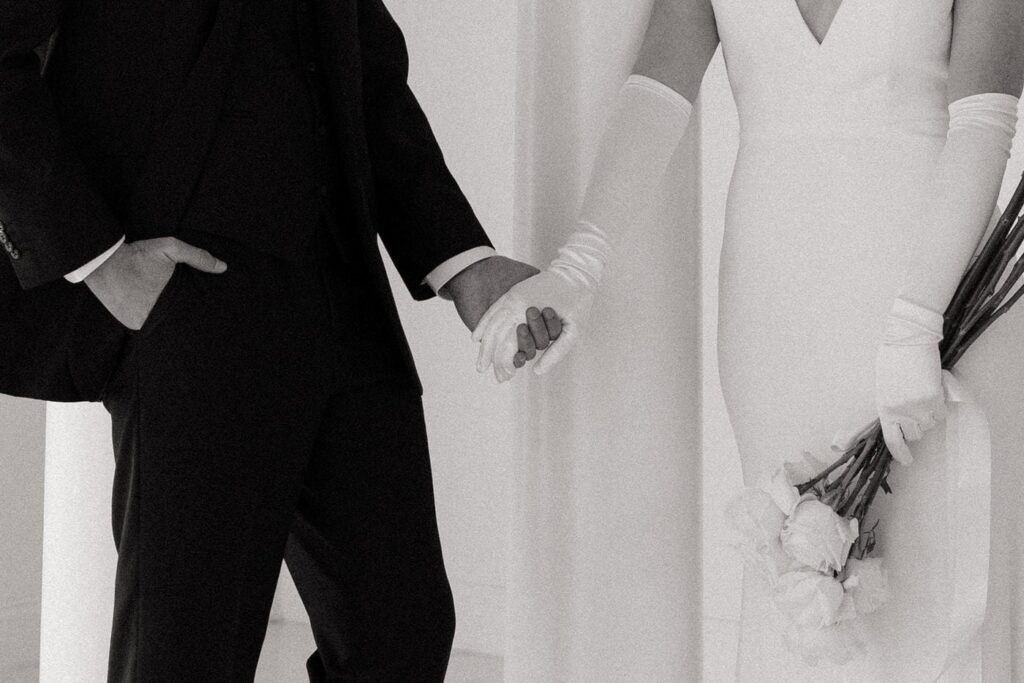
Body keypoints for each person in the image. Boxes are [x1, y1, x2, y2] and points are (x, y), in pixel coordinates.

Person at [0, 0, 556, 679]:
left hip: (344, 299)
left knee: (402, 629)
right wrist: (97, 258)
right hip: (191, 307)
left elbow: (368, 77)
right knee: (185, 651)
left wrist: (464, 264)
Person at [477, 0, 1024, 679]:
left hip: (943, 298)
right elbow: (656, 93)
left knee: (938, 588)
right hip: (774, 310)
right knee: (801, 598)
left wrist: (918, 320)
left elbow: (987, 120)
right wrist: (575, 268)